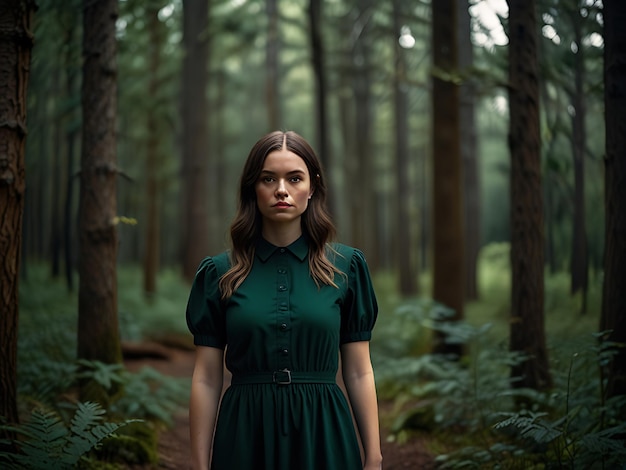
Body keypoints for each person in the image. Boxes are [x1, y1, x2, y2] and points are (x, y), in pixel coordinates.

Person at [186, 130, 382, 470]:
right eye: (268, 179)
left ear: (312, 188)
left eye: (294, 178)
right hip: (245, 435)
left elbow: (359, 371)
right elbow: (205, 377)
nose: (281, 190)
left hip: (324, 432)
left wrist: (374, 457)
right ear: (253, 188)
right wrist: (200, 465)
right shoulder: (219, 272)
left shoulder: (346, 268)